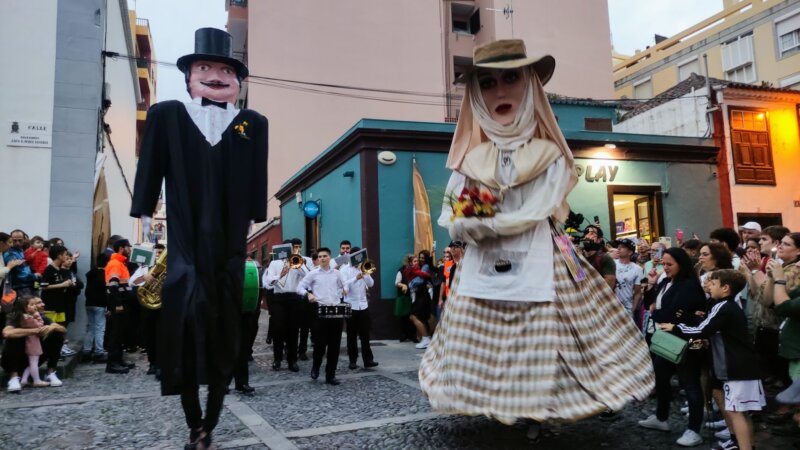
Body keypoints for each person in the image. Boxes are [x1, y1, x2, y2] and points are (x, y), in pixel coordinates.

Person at [419, 39, 654, 440]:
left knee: (546, 341)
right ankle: (501, 405)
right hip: (482, 267)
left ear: (530, 84)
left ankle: (538, 412)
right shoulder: (471, 161)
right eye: (488, 82)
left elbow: (536, 211)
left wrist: (482, 224)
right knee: (487, 343)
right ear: (476, 95)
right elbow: (449, 214)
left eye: (511, 77)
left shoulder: (549, 155)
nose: (500, 91)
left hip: (540, 261)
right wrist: (464, 223)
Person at [130, 27, 267, 450]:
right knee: (185, 330)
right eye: (204, 67)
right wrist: (145, 204)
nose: (215, 75)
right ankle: (195, 424)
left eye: (225, 69)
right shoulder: (168, 115)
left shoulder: (252, 123)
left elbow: (257, 176)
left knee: (226, 336)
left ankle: (212, 418)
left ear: (238, 82)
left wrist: (256, 215)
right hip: (186, 244)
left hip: (228, 248)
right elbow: (151, 165)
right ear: (189, 76)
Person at [661, 269, 765, 450]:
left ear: (725, 288)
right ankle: (742, 444)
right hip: (738, 365)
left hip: (735, 366)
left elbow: (703, 329)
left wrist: (675, 327)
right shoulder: (725, 305)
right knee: (738, 410)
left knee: (736, 412)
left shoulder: (723, 306)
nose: (709, 285)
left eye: (714, 283)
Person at [638, 248, 707, 447]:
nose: (665, 268)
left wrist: (657, 313)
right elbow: (649, 303)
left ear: (681, 264)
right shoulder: (667, 281)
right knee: (660, 376)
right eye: (664, 264)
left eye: (670, 264)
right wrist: (651, 284)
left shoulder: (688, 285)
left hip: (685, 340)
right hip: (667, 339)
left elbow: (673, 313)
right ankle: (661, 418)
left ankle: (694, 430)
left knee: (690, 383)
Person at [296, 247, 346, 385]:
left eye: (325, 256)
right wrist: (308, 294)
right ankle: (316, 367)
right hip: (320, 311)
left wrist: (345, 289)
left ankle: (331, 375)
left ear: (329, 257)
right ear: (318, 259)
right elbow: (299, 287)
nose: (322, 258)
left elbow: (345, 285)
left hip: (335, 311)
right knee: (320, 345)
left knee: (335, 346)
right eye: (320, 256)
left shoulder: (337, 273)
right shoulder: (313, 274)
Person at [262, 238, 311, 372]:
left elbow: (308, 276)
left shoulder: (297, 261)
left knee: (293, 331)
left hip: (294, 298)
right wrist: (280, 275)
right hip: (279, 298)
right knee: (278, 330)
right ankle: (277, 360)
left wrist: (297, 263)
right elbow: (268, 282)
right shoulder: (274, 263)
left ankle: (292, 361)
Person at [341, 246, 378, 370]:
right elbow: (343, 284)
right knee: (351, 335)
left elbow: (371, 284)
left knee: (365, 335)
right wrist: (355, 278)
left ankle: (368, 360)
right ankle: (352, 360)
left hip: (363, 305)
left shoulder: (363, 267)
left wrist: (365, 274)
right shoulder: (344, 269)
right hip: (350, 305)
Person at [105, 239, 135, 374]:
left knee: (120, 333)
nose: (130, 249)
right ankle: (112, 363)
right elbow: (113, 286)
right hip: (119, 304)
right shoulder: (116, 264)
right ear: (122, 248)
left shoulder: (120, 263)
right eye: (128, 247)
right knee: (116, 334)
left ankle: (119, 360)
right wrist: (118, 304)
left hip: (123, 303)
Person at [14, 296, 49, 387]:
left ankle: (24, 380)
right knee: (34, 362)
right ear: (25, 307)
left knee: (31, 362)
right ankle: (36, 380)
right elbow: (39, 325)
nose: (34, 307)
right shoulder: (28, 317)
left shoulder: (24, 316)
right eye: (32, 305)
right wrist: (37, 316)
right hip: (32, 341)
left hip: (31, 341)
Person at [81, 253, 108, 363]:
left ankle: (86, 351)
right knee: (100, 328)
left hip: (89, 303)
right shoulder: (104, 275)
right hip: (100, 304)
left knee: (90, 328)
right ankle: (99, 351)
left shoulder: (91, 273)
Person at [3, 230, 39, 296]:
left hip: (31, 284)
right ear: (10, 239)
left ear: (24, 239)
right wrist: (35, 276)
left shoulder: (23, 250)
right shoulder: (9, 253)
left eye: (20, 240)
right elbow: (20, 274)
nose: (17, 243)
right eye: (14, 240)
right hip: (20, 287)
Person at [614, 238, 643, 315]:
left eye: (623, 247)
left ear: (630, 252)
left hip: (627, 309)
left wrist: (632, 309)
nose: (619, 248)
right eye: (618, 246)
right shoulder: (611, 263)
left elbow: (638, 292)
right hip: (611, 307)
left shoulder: (637, 269)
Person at [582, 224, 616, 289]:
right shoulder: (578, 257)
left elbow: (609, 285)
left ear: (599, 239)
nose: (587, 236)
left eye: (591, 233)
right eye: (586, 233)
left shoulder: (605, 258)